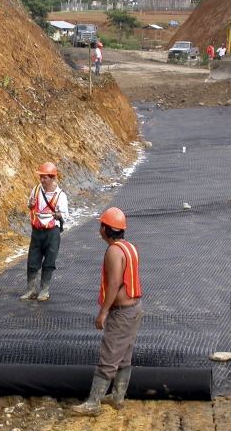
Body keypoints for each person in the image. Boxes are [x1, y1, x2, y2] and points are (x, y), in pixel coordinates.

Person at [71, 207, 143, 416]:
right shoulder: (130, 247)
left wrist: (103, 313)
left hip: (122, 312)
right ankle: (118, 397)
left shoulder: (114, 251)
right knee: (124, 355)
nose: (99, 229)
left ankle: (93, 403)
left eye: (101, 225)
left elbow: (113, 284)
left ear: (105, 229)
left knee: (110, 356)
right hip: (135, 308)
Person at [20, 162, 69, 303]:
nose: (42, 180)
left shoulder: (60, 195)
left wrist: (55, 214)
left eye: (45, 177)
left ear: (52, 178)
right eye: (41, 177)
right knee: (33, 260)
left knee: (49, 261)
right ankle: (30, 290)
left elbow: (64, 215)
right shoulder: (36, 190)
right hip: (37, 231)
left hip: (51, 232)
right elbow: (29, 205)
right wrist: (31, 204)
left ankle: (44, 290)